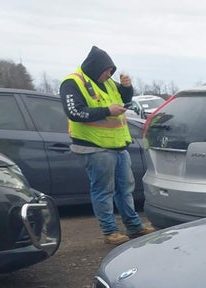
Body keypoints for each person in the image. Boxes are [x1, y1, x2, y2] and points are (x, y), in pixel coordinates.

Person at [60, 46, 154, 245]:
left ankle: (134, 226)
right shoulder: (73, 82)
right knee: (103, 190)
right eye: (106, 71)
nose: (109, 75)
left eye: (111, 71)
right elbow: (74, 112)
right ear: (95, 68)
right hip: (94, 147)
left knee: (125, 188)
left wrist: (127, 88)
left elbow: (123, 100)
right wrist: (106, 111)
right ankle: (110, 231)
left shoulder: (108, 83)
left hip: (118, 145)